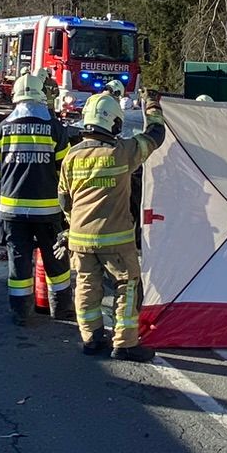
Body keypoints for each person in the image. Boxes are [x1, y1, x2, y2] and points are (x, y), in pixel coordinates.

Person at [60, 90, 166, 361]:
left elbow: (64, 197)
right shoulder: (121, 152)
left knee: (85, 285)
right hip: (115, 239)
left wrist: (74, 223)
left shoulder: (72, 156)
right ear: (114, 123)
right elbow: (155, 135)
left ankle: (92, 338)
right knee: (128, 286)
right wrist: (152, 105)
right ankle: (125, 343)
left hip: (79, 237)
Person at [0, 72, 73, 322]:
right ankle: (61, 309)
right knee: (56, 263)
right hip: (48, 211)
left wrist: (5, 198)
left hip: (12, 211)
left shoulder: (2, 129)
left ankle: (20, 314)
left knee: (19, 264)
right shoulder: (54, 128)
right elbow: (65, 173)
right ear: (41, 95)